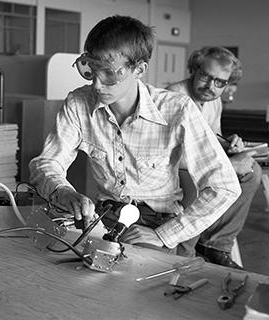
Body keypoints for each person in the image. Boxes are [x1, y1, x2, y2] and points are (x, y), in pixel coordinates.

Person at [29, 15, 241, 257]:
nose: (97, 85)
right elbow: (46, 162)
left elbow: (224, 186)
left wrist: (165, 235)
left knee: (133, 277)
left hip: (157, 221)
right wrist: (61, 190)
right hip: (104, 216)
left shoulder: (177, 109)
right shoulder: (79, 103)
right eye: (91, 70)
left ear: (139, 69)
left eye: (109, 73)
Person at [167, 46, 262, 268]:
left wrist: (229, 143)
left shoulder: (213, 101)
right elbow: (173, 154)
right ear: (194, 70)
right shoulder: (176, 97)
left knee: (252, 171)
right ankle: (184, 252)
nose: (211, 86)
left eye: (220, 82)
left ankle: (215, 243)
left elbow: (211, 139)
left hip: (198, 163)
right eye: (206, 77)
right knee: (200, 181)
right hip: (174, 168)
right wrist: (228, 165)